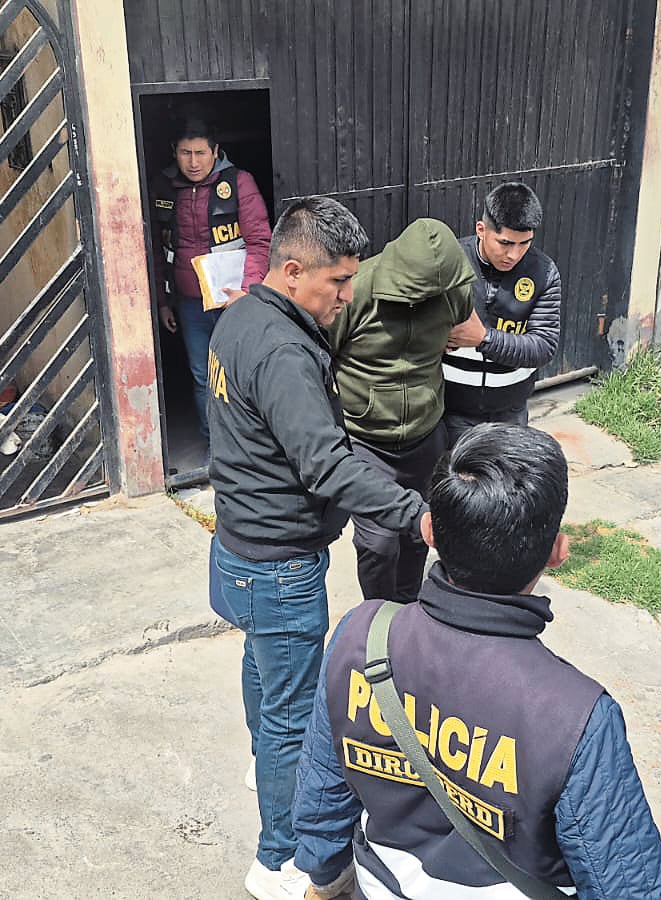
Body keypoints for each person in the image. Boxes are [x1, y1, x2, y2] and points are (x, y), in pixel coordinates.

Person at [292, 424, 661, 899]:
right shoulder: (576, 718)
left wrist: (325, 878)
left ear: (430, 530)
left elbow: (321, 794)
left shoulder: (361, 635)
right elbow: (629, 885)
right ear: (558, 552)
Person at [207, 196, 428, 900]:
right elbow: (325, 465)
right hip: (277, 566)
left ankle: (261, 770)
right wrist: (416, 514)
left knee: (261, 672)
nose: (346, 295)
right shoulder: (281, 350)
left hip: (240, 551)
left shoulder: (242, 316)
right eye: (337, 282)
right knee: (294, 719)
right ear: (294, 270)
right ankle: (279, 857)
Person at [329, 218, 475, 605]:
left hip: (426, 436)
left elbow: (465, 328)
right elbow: (320, 357)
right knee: (378, 542)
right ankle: (377, 615)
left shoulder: (453, 290)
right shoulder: (357, 292)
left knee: (419, 530)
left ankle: (407, 607)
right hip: (364, 439)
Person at [150, 117, 272, 446]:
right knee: (203, 377)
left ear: (215, 151)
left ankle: (249, 448)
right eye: (185, 153)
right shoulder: (164, 189)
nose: (193, 162)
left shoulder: (238, 183)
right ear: (174, 152)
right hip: (191, 305)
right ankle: (216, 450)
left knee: (241, 376)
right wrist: (163, 302)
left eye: (201, 153)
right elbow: (159, 250)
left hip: (234, 301)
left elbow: (261, 242)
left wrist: (246, 293)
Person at [442, 182, 563, 445]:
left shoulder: (543, 272)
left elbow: (543, 346)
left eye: (524, 244)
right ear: (481, 230)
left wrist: (484, 339)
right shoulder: (450, 261)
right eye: (505, 243)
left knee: (508, 484)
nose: (514, 254)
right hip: (450, 411)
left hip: (511, 413)